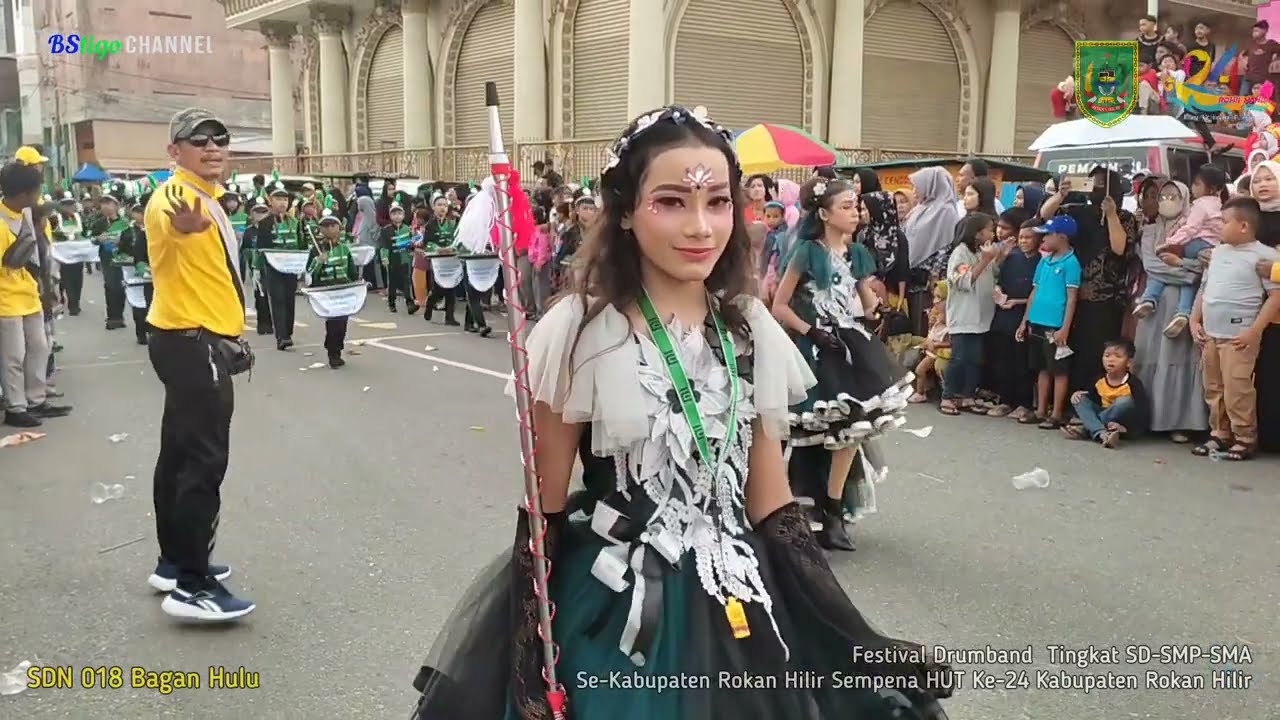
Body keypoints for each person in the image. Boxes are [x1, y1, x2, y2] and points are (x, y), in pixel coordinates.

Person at [410, 104, 950, 720]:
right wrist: (528, 656)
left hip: (744, 602)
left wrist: (858, 638)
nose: (700, 226)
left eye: (717, 202)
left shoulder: (749, 329)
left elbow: (773, 508)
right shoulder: (580, 332)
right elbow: (543, 512)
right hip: (619, 610)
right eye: (671, 202)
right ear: (625, 211)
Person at [144, 107, 253, 621]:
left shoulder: (205, 195)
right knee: (202, 462)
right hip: (193, 343)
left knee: (178, 454)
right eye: (199, 139)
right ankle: (192, 585)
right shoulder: (178, 199)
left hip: (187, 339)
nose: (212, 147)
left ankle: (175, 562)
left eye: (220, 139)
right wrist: (184, 228)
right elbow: (175, 226)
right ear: (175, 151)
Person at [772, 177, 911, 550]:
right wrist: (812, 332)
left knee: (850, 429)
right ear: (823, 213)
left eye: (856, 206)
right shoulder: (807, 251)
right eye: (846, 207)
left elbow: (865, 300)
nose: (855, 213)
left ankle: (833, 513)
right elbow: (780, 305)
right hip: (813, 346)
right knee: (803, 434)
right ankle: (790, 509)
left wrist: (876, 310)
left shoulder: (857, 253)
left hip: (849, 344)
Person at [1190, 196, 1280, 461]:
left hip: (1239, 337)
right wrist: (1194, 319)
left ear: (1244, 226)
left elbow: (1275, 297)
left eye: (1224, 221)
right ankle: (1220, 432)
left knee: (1237, 388)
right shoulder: (1217, 252)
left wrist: (1255, 331)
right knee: (1214, 387)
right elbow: (1205, 288)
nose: (1219, 226)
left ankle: (1245, 437)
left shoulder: (1265, 256)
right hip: (1211, 334)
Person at [0, 161, 72, 427]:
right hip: (5, 299)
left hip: (28, 293)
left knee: (39, 348)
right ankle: (16, 407)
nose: (37, 196)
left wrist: (44, 286)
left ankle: (36, 399)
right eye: (36, 191)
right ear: (23, 194)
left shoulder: (26, 214)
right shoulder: (1, 222)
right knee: (13, 355)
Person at [1134, 165, 1227, 336]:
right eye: (1147, 197)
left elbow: (1204, 265)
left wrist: (1181, 264)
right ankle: (1156, 301)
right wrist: (1187, 273)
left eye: (1170, 196)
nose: (1162, 201)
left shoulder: (1193, 218)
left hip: (1189, 297)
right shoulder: (1149, 228)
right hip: (1163, 302)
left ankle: (1176, 309)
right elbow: (1151, 265)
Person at [1017, 215, 1081, 428]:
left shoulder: (1071, 263)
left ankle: (1057, 413)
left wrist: (1065, 328)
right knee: (1041, 367)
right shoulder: (1044, 261)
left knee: (1059, 369)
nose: (1044, 238)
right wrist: (1025, 321)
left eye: (1048, 234)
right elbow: (1034, 292)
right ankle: (1041, 409)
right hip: (1037, 320)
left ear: (1062, 237)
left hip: (1055, 324)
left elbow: (1072, 298)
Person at [939, 212, 998, 416]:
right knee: (959, 357)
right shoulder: (961, 252)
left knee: (975, 358)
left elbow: (993, 275)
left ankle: (967, 395)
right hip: (964, 314)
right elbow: (962, 281)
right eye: (989, 230)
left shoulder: (983, 251)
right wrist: (985, 260)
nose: (993, 233)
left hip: (981, 315)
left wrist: (998, 257)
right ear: (977, 233)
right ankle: (947, 396)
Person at [985, 217, 1041, 419]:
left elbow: (1037, 294)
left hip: (1023, 316)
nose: (1023, 241)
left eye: (1028, 237)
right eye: (1021, 237)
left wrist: (1017, 301)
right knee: (1002, 360)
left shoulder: (1040, 262)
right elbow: (997, 279)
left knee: (1022, 362)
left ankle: (1024, 403)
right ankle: (1005, 401)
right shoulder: (1011, 256)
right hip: (1003, 314)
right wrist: (999, 293)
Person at [1064, 339, 1149, 447]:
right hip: (1102, 413)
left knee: (1124, 402)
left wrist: (1127, 429)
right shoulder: (1098, 380)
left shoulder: (1133, 383)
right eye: (1107, 356)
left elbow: (1142, 411)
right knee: (1079, 398)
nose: (1111, 360)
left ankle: (1086, 428)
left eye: (1118, 356)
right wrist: (1078, 395)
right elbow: (1089, 400)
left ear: (1129, 363)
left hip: (1120, 421)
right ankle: (1102, 433)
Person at [308, 209, 358, 368]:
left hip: (343, 289)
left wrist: (357, 285)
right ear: (321, 229)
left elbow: (352, 271)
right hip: (327, 290)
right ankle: (332, 352)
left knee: (342, 323)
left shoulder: (345, 248)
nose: (330, 229)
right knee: (332, 322)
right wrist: (318, 261)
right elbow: (309, 274)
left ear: (339, 228)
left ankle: (337, 348)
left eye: (333, 225)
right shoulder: (316, 249)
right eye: (326, 226)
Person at [257, 183, 301, 350]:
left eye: (285, 200)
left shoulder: (295, 222)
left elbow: (301, 243)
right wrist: (258, 268)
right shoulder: (265, 223)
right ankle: (281, 336)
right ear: (271, 201)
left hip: (291, 266)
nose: (282, 203)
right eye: (278, 199)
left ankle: (288, 332)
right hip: (273, 267)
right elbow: (261, 247)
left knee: (289, 299)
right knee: (278, 299)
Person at [87, 190, 131, 330]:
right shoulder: (99, 223)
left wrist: (121, 241)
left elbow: (132, 239)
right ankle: (112, 318)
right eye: (103, 203)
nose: (105, 206)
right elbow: (91, 238)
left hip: (123, 258)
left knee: (121, 286)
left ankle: (120, 317)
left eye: (109, 203)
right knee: (110, 285)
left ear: (116, 205)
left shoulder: (125, 223)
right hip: (107, 258)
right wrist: (98, 239)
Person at [118, 197, 153, 345]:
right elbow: (138, 255)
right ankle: (142, 333)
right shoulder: (135, 233)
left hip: (165, 277)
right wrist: (141, 266)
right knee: (141, 304)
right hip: (141, 274)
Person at [379, 202, 417, 313]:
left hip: (405, 258)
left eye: (399, 213)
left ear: (403, 215)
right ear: (390, 216)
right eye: (394, 214)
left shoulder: (407, 229)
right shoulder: (386, 230)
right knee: (392, 282)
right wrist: (384, 258)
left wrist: (412, 250)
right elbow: (384, 246)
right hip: (392, 259)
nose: (397, 216)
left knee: (407, 281)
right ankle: (391, 302)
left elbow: (411, 244)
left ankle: (410, 303)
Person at [51, 193, 85, 315]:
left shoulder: (79, 217)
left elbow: (85, 233)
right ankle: (72, 305)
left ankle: (76, 302)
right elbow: (51, 233)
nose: (69, 208)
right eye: (66, 206)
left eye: (71, 205)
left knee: (78, 280)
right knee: (66, 280)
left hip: (78, 255)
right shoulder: (55, 219)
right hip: (63, 256)